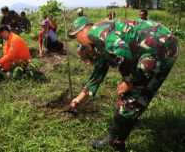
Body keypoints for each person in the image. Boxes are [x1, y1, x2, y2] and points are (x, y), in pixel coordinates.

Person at [68, 16, 179, 151]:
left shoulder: (95, 32)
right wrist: (78, 99)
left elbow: (122, 51)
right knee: (143, 91)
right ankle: (129, 119)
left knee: (131, 94)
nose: (79, 42)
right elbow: (98, 73)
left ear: (82, 31)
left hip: (157, 47)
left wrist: (128, 81)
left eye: (76, 37)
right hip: (166, 44)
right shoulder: (101, 37)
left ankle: (115, 142)